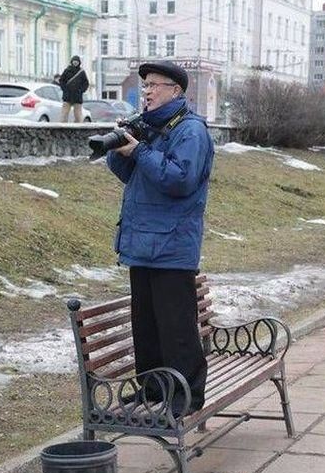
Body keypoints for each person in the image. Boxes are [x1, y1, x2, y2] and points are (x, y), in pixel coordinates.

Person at [105, 60, 214, 416]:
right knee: (147, 328)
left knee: (176, 329)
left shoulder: (190, 131)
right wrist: (121, 146)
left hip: (172, 246)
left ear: (176, 90)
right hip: (142, 244)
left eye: (154, 85)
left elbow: (180, 180)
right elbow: (130, 175)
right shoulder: (149, 129)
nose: (147, 91)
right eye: (145, 85)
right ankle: (153, 390)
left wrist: (139, 150)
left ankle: (186, 397)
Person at [59, 55, 89, 122]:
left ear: (79, 62)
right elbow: (61, 81)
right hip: (67, 95)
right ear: (71, 62)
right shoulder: (67, 70)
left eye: (77, 61)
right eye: (74, 61)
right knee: (64, 114)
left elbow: (86, 83)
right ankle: (62, 127)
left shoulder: (82, 72)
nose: (75, 63)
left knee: (78, 115)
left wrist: (81, 90)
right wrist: (65, 89)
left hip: (77, 96)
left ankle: (78, 127)